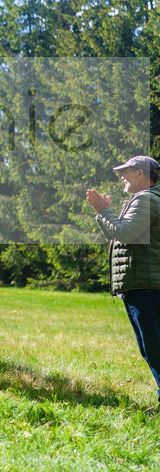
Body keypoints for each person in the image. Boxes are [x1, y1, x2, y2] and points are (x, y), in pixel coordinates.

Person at [86, 155, 160, 407]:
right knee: (150, 346)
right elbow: (120, 235)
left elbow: (126, 233)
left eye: (126, 172)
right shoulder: (141, 200)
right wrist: (103, 215)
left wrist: (104, 211)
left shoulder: (146, 200)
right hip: (141, 283)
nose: (122, 177)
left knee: (154, 347)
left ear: (141, 174)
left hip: (145, 285)